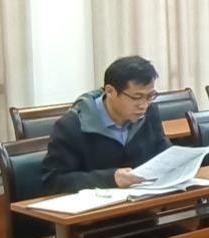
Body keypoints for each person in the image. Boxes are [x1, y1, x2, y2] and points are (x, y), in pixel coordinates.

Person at [42, 55, 171, 193]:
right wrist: (111, 178)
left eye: (150, 96)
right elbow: (53, 181)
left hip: (144, 200)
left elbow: (163, 152)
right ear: (110, 91)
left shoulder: (150, 112)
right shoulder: (71, 126)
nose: (144, 105)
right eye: (136, 97)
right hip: (98, 205)